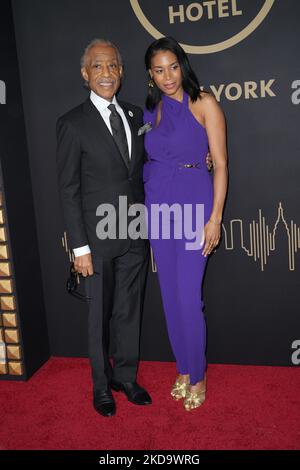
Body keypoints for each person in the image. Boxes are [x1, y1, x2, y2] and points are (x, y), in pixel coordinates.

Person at [56, 38, 152, 417]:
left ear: (122, 72)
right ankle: (101, 386)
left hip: (134, 230)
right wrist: (78, 247)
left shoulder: (135, 115)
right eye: (98, 66)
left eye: (112, 66)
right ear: (85, 74)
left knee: (130, 308)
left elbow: (148, 166)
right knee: (99, 316)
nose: (107, 73)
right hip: (96, 239)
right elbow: (68, 189)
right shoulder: (71, 123)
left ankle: (125, 376)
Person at [143, 37, 228, 411]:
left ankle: (198, 373)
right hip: (159, 208)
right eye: (159, 70)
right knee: (169, 297)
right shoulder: (153, 111)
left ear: (183, 65)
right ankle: (182, 367)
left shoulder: (204, 102)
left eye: (173, 66)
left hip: (195, 204)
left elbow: (221, 164)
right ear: (150, 74)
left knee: (188, 298)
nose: (168, 76)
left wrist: (216, 218)